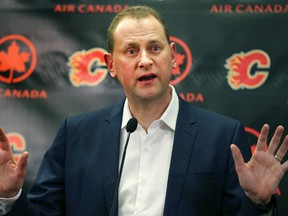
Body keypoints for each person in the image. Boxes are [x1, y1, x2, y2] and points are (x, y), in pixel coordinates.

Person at [0, 5, 288, 216]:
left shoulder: (223, 136)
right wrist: (10, 196)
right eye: (131, 51)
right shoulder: (75, 135)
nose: (145, 60)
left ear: (173, 56)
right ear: (110, 64)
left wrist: (258, 205)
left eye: (154, 48)